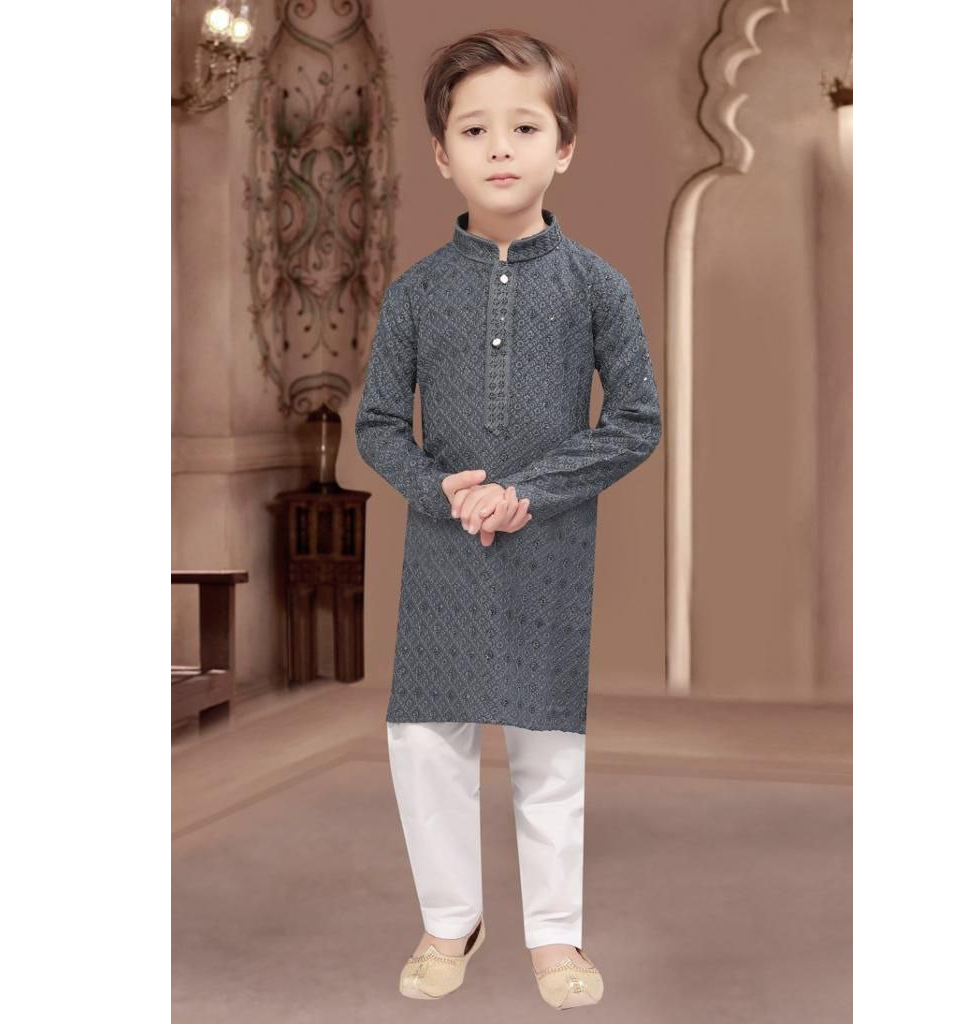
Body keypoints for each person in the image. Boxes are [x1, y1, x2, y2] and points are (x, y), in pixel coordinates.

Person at [354, 27, 662, 1009]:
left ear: (563, 148)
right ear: (441, 154)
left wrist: (531, 491)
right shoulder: (415, 293)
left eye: (524, 127)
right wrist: (439, 487)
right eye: (473, 129)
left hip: (549, 546)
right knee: (424, 740)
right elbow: (376, 424)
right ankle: (450, 920)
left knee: (546, 746)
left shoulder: (596, 285)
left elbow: (636, 420)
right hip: (444, 546)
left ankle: (554, 936)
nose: (499, 147)